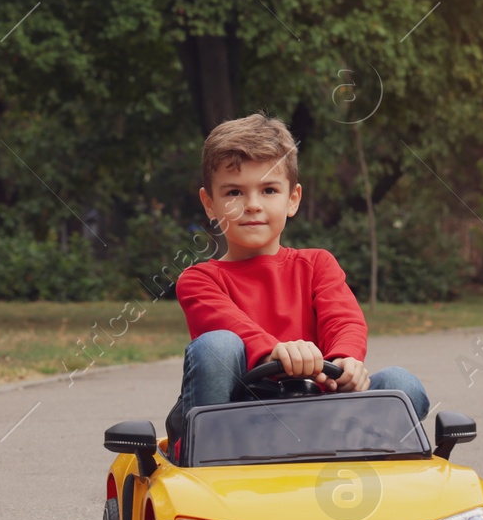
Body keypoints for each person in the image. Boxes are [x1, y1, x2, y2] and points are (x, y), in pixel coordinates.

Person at [168, 112, 430, 461]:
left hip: (320, 423)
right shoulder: (199, 280)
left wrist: (345, 359)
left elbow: (345, 319)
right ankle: (211, 465)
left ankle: (364, 469)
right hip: (238, 425)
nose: (252, 205)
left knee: (402, 384)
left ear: (293, 199)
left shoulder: (317, 264)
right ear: (210, 204)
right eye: (234, 192)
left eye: (269, 190)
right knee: (216, 344)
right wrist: (278, 352)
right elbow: (233, 329)